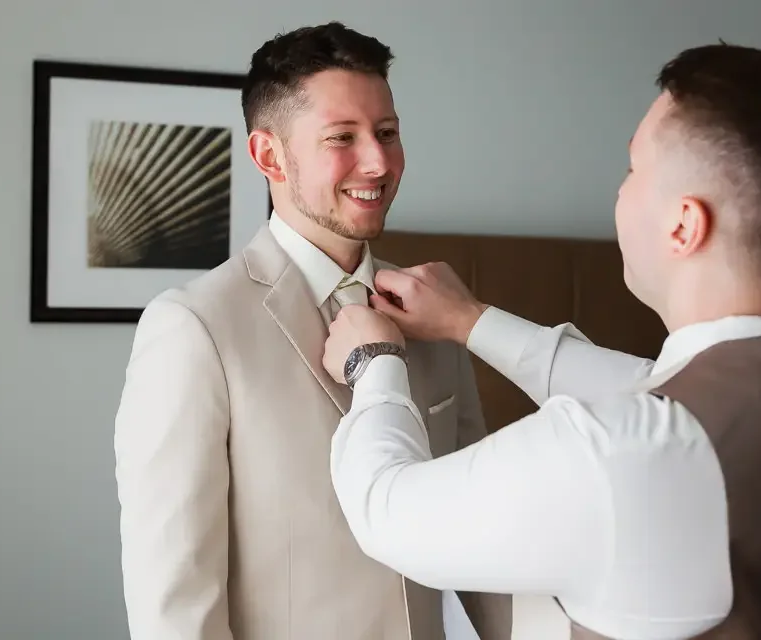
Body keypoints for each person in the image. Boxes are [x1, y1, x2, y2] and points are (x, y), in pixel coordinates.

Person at [322, 42, 761, 640]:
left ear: (683, 224)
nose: (620, 192)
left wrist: (373, 364)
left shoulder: (615, 456)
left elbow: (388, 513)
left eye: (634, 169)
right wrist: (471, 321)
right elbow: (652, 390)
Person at [113, 21, 511, 640]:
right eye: (341, 138)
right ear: (269, 156)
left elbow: (476, 533)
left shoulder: (433, 314)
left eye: (387, 133)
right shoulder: (194, 328)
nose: (377, 162)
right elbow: (174, 592)